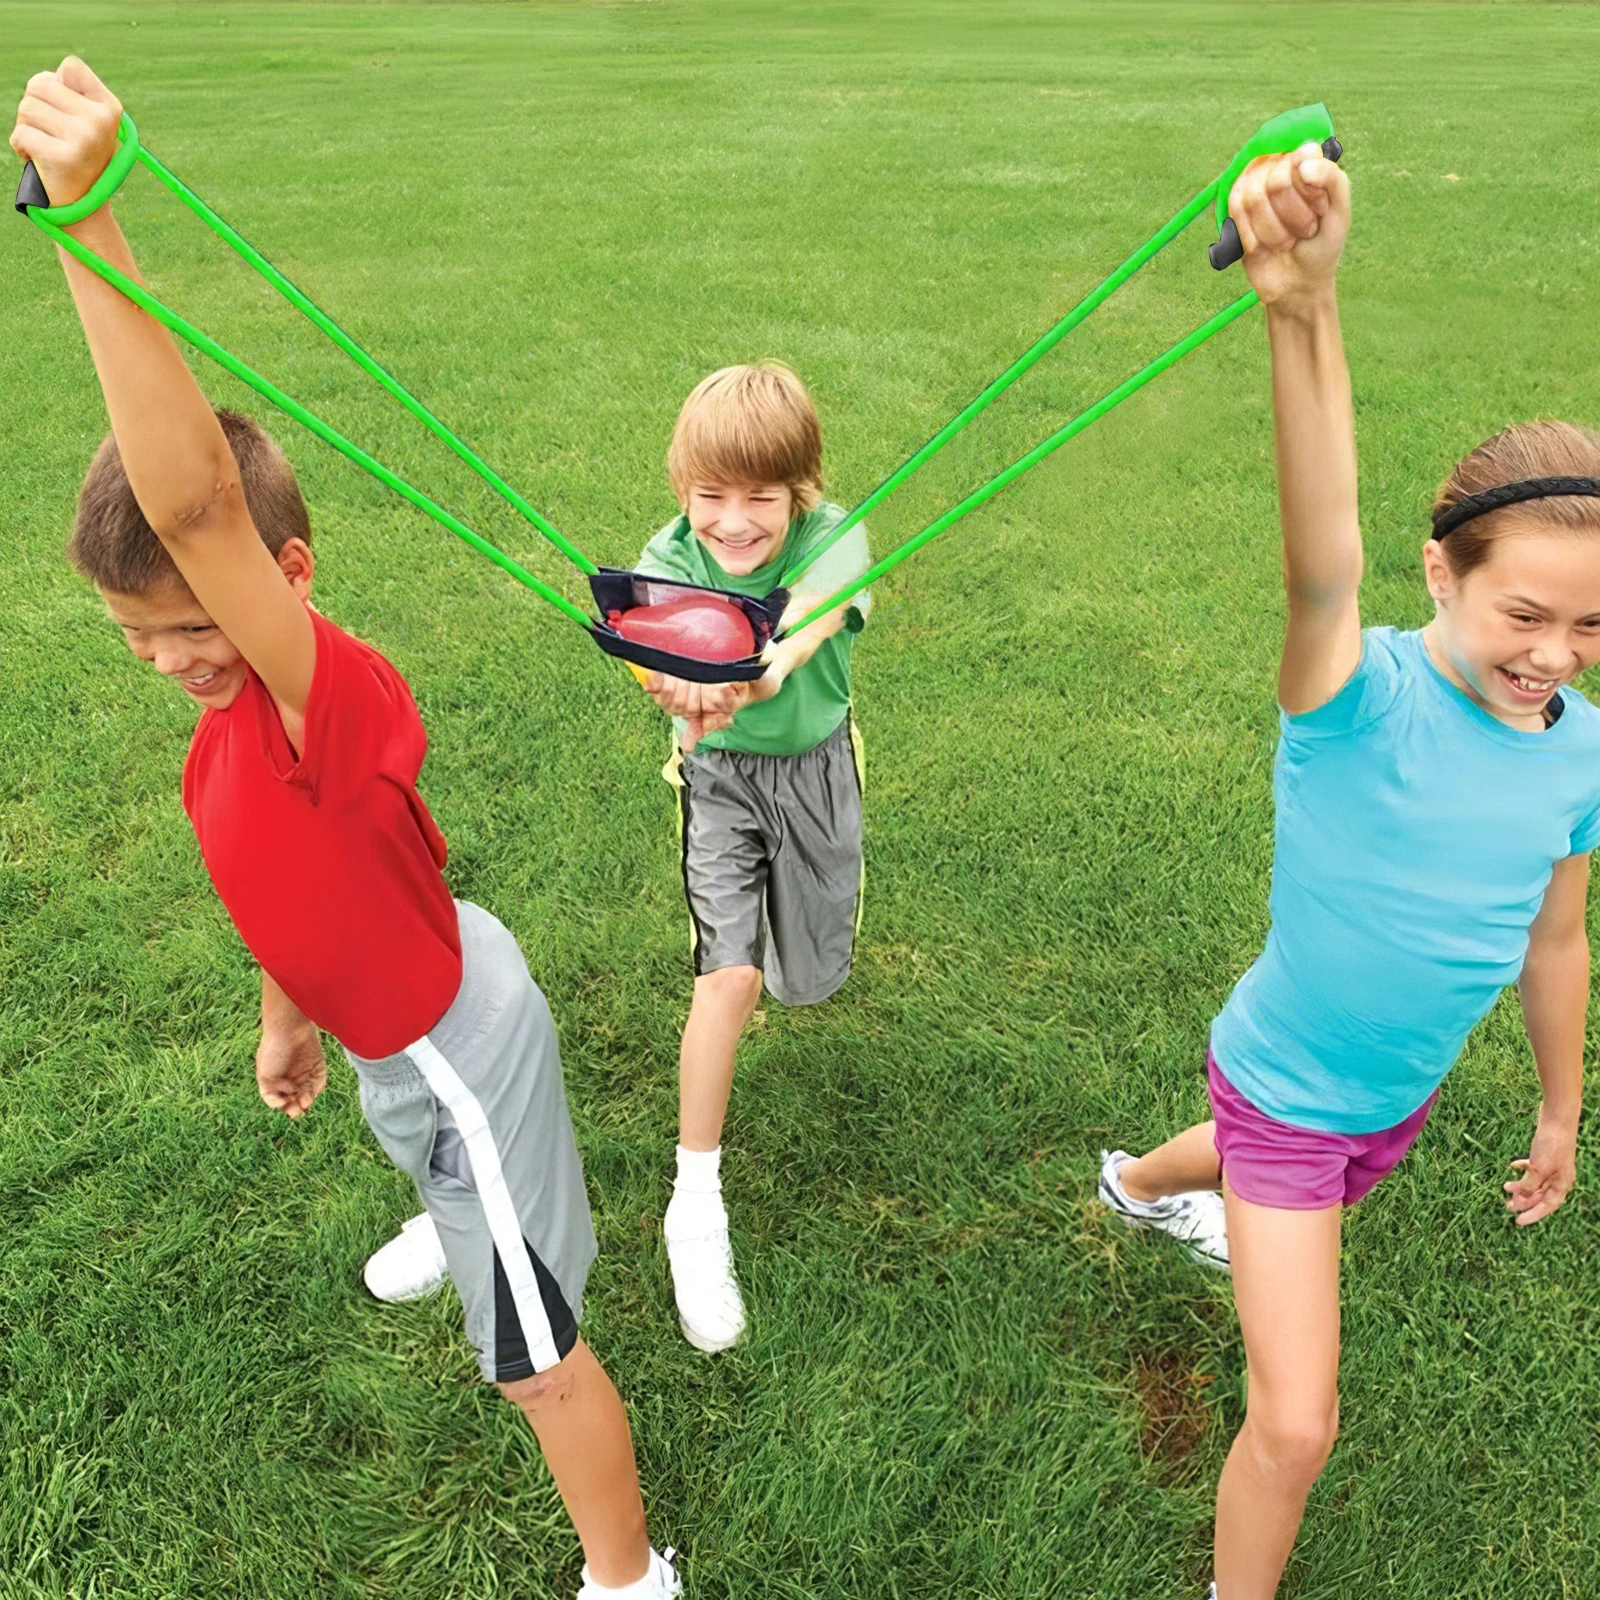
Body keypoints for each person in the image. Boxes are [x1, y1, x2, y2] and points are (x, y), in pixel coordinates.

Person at [14, 59, 679, 1599]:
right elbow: (275, 901)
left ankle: (630, 1576)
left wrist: (88, 230)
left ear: (286, 572)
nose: (171, 656)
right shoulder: (225, 753)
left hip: (458, 1036)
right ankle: (455, 1221)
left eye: (189, 624)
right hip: (396, 1023)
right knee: (432, 1160)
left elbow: (195, 509)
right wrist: (285, 1019)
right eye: (134, 638)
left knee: (532, 1355)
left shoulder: (331, 698)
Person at [1096, 144, 1600, 1600]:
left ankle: (1132, 1185)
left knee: (1260, 1180)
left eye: (1591, 628)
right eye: (1524, 610)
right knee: (1298, 1419)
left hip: (1397, 1101)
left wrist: (1563, 1109)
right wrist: (1301, 307)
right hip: (1288, 1083)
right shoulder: (1352, 697)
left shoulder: (1577, 753)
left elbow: (1555, 941)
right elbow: (1321, 554)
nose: (1553, 656)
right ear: (1442, 572)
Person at [633, 363, 872, 1351]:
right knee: (727, 979)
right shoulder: (668, 552)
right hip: (721, 782)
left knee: (808, 978)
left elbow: (813, 619)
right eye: (710, 497)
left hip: (815, 772)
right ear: (683, 491)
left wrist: (765, 662)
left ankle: (794, 951)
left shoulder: (835, 536)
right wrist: (679, 688)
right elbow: (650, 642)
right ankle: (694, 1202)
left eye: (759, 499)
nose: (732, 523)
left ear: (800, 491)